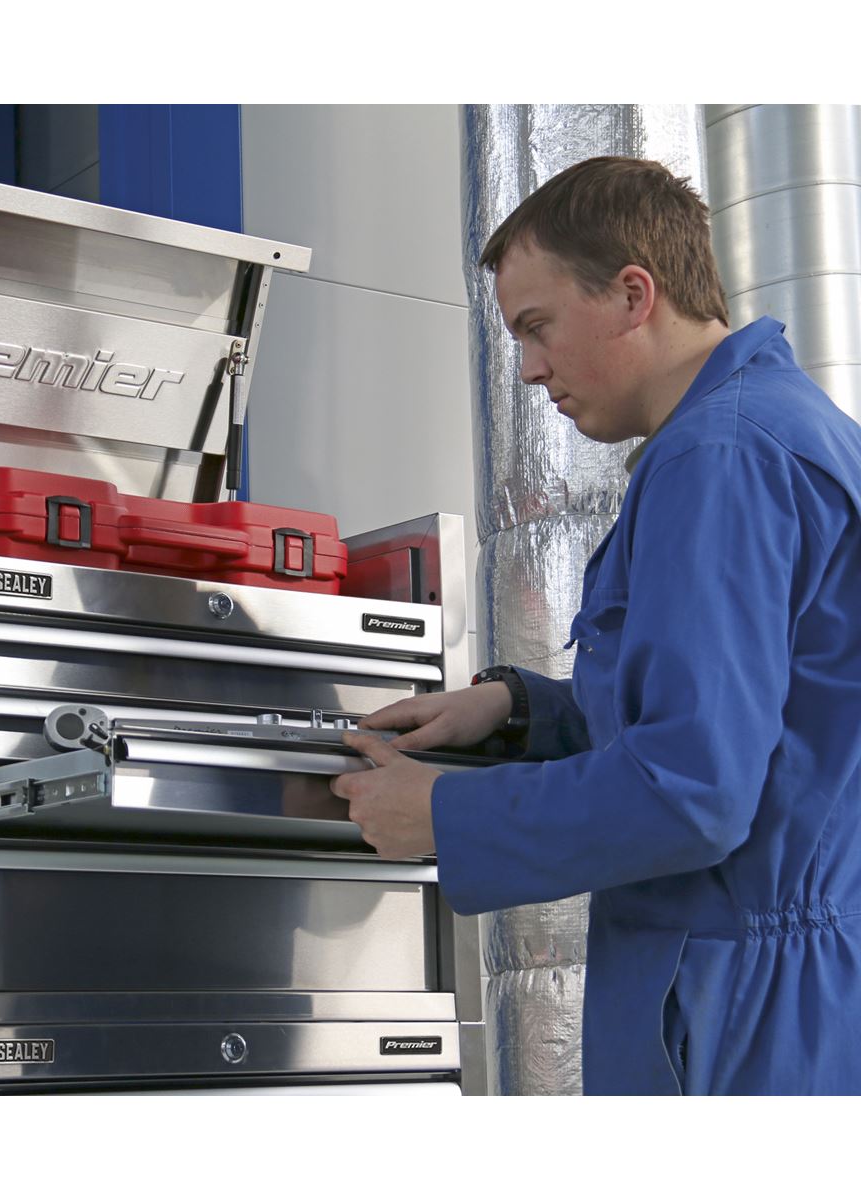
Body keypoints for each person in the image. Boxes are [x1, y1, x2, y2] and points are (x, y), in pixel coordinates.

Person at [330, 156, 861, 1095]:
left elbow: (694, 790)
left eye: (537, 327)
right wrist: (517, 711)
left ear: (632, 295)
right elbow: (753, 719)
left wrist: (445, 815)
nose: (529, 369)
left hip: (744, 1016)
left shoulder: (720, 458)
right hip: (796, 997)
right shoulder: (782, 427)